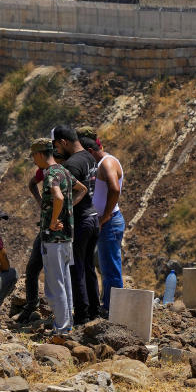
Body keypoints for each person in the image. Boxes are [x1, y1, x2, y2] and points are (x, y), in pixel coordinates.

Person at [53, 124, 100, 325]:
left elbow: (64, 197)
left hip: (80, 221)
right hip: (93, 217)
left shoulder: (72, 164)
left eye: (57, 145)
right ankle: (95, 311)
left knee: (76, 268)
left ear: (63, 142)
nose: (56, 150)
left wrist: (58, 218)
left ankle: (82, 315)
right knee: (89, 267)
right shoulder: (90, 157)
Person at [30, 137, 74, 334]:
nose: (33, 160)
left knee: (54, 284)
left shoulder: (50, 174)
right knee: (65, 281)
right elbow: (80, 189)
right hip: (66, 238)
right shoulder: (64, 171)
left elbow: (58, 196)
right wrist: (68, 211)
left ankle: (62, 328)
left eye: (33, 156)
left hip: (53, 238)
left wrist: (54, 219)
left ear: (40, 154)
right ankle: (68, 323)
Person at [81, 127, 125, 316]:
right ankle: (107, 306)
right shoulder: (105, 162)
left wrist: (105, 215)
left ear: (90, 152)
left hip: (109, 222)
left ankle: (114, 310)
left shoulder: (106, 163)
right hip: (105, 222)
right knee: (105, 267)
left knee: (110, 269)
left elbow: (114, 189)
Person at [13, 167, 45, 328]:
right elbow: (32, 183)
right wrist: (41, 201)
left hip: (62, 229)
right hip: (46, 227)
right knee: (32, 268)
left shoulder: (66, 168)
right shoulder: (46, 170)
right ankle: (31, 305)